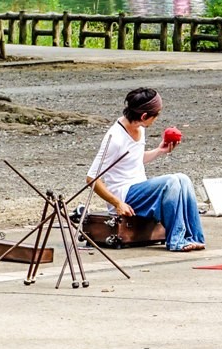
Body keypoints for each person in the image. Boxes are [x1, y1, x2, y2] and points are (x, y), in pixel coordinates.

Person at [86, 87, 205, 252]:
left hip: (140, 190)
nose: (156, 119)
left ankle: (194, 237)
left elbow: (135, 159)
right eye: (156, 115)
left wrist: (158, 151)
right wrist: (117, 203)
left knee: (182, 178)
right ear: (144, 116)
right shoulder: (114, 138)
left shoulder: (140, 129)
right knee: (170, 182)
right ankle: (176, 241)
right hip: (124, 195)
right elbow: (92, 178)